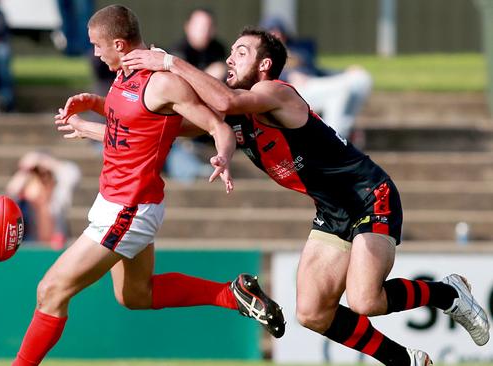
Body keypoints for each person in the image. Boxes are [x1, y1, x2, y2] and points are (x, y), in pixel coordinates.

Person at [120, 28, 490, 365]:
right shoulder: (236, 112)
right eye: (231, 52)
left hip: (369, 196)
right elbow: (170, 126)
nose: (231, 58)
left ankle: (447, 294)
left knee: (365, 301)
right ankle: (404, 360)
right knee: (312, 312)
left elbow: (228, 100)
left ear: (265, 65)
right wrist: (100, 120)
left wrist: (169, 62)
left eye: (241, 52)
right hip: (332, 211)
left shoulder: (274, 93)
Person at [11, 6, 285, 366]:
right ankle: (232, 294)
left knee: (50, 290)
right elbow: (131, 128)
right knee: (137, 295)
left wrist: (223, 156)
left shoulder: (162, 82)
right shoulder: (124, 73)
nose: (94, 52)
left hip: (129, 207)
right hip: (118, 201)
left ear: (119, 43)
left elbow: (217, 124)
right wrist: (92, 109)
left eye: (97, 45)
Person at [262, 17, 372, 142]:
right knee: (340, 90)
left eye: (279, 29)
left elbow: (317, 70)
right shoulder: (265, 54)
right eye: (271, 30)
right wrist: (287, 76)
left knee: (361, 78)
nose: (277, 33)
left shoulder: (299, 49)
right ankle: (333, 142)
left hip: (314, 83)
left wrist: (344, 71)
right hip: (293, 90)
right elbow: (261, 78)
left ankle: (345, 129)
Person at [165, 7, 229, 182]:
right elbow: (179, 87)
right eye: (200, 27)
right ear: (188, 27)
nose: (205, 32)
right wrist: (208, 76)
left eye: (208, 27)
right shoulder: (178, 51)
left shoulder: (218, 48)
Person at [6, 151, 81, 249]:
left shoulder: (58, 201)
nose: (42, 181)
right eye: (36, 177)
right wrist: (25, 170)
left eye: (46, 177)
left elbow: (71, 173)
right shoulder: (21, 207)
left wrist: (41, 160)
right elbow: (10, 192)